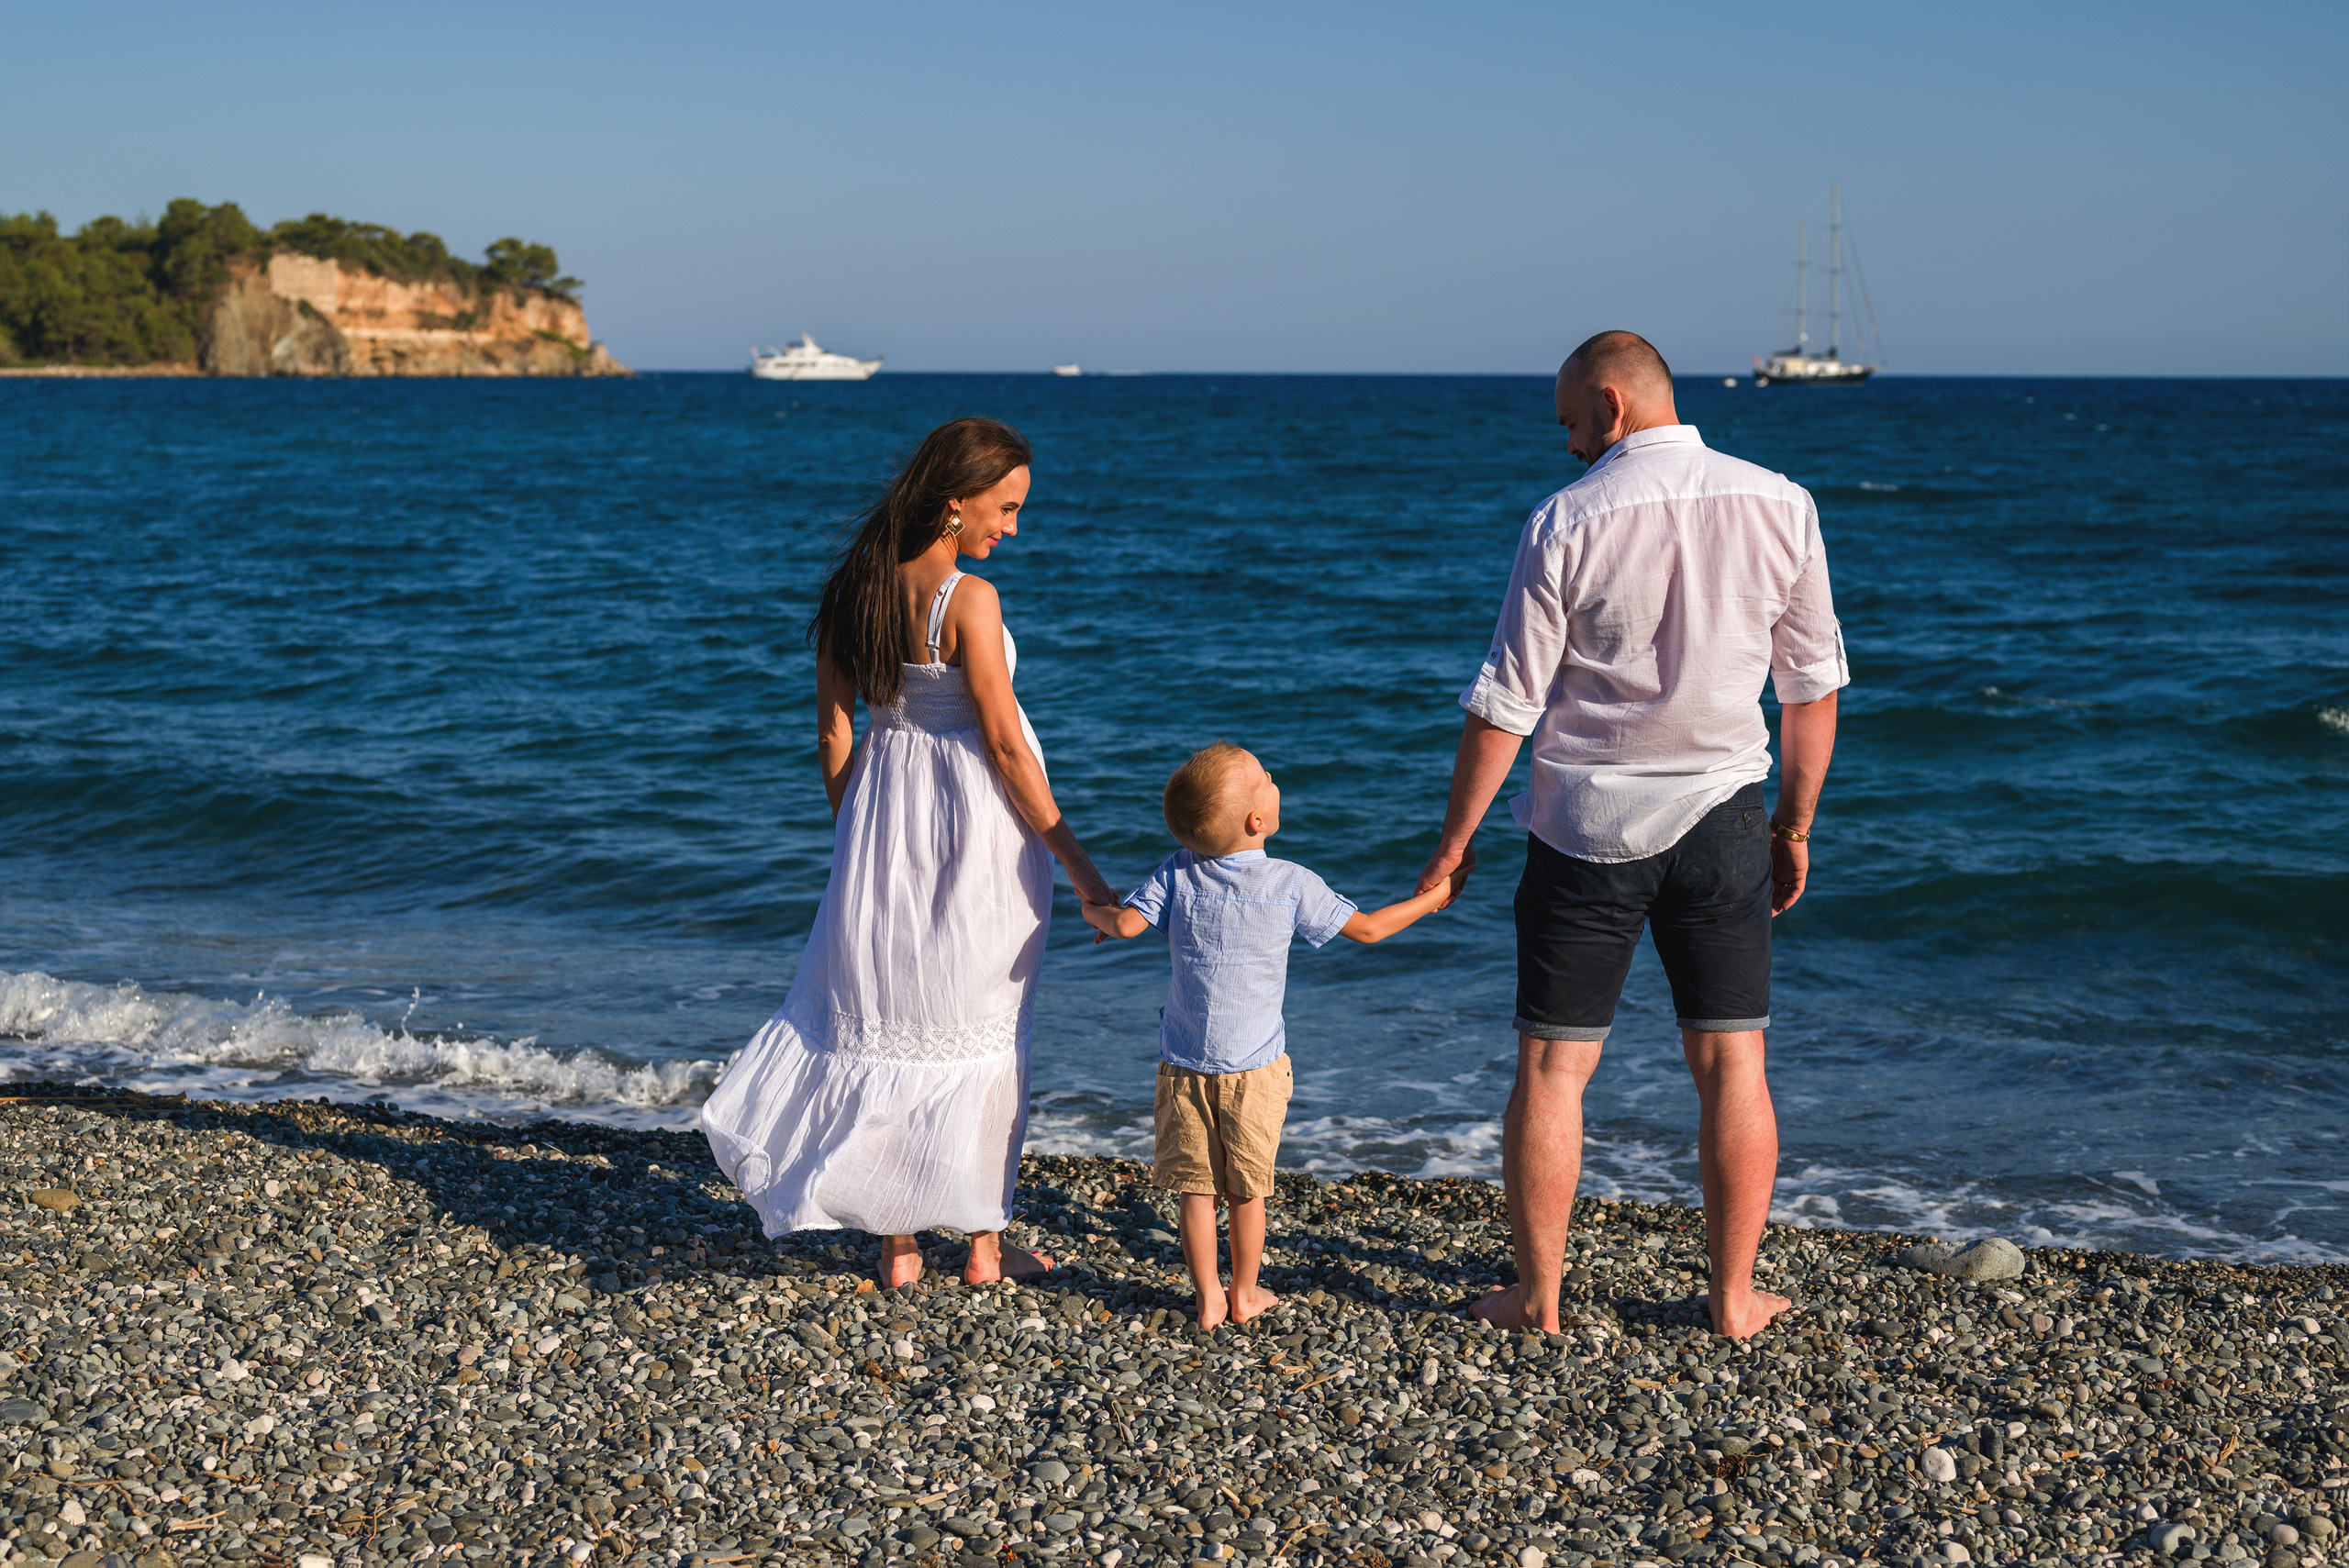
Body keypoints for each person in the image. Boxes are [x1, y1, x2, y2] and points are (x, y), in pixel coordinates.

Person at [1417, 331, 1847, 1340]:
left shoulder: (1565, 519)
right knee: (1734, 1060)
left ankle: (1539, 1297)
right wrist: (1795, 823)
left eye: (1570, 422)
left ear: (1609, 406)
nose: (1566, 443)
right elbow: (1810, 689)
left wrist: (1451, 844)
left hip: (1584, 825)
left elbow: (1504, 707)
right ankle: (1735, 1299)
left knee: (1553, 1069)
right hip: (1725, 816)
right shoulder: (1782, 502)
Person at [699, 417, 1119, 1289]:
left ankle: (898, 1247)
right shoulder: (968, 601)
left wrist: (859, 836)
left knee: (893, 1019)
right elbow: (1006, 748)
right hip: (978, 834)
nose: (1012, 526)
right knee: (982, 1029)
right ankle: (982, 1247)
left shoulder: (855, 590)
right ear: (954, 501)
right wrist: (1084, 870)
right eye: (1004, 508)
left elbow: (832, 732)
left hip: (878, 825)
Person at [1085, 742, 1469, 1328]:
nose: (1275, 778)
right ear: (1256, 821)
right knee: (1246, 1189)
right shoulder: (1290, 882)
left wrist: (1093, 912)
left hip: (1183, 1063)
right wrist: (1433, 898)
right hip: (1255, 1071)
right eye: (1266, 777)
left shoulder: (1178, 869)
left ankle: (1207, 1297)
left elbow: (1124, 923)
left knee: (1195, 1188)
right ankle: (1244, 1292)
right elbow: (1366, 930)